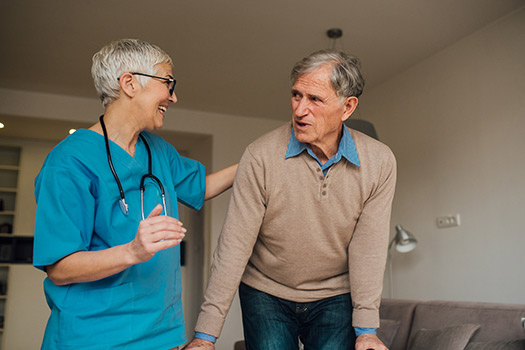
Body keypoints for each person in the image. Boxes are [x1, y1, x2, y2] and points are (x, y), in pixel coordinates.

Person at [33, 38, 237, 350]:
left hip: (162, 333)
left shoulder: (158, 150)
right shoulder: (69, 162)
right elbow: (60, 268)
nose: (174, 96)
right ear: (129, 83)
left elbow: (202, 187)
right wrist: (133, 251)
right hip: (94, 338)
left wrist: (257, 160)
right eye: (168, 83)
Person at [184, 50, 396, 350]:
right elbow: (233, 246)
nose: (299, 110)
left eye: (315, 99)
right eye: (297, 95)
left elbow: (369, 249)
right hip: (265, 291)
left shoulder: (379, 161)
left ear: (347, 107)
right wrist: (205, 336)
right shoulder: (260, 155)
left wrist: (366, 330)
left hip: (335, 294)